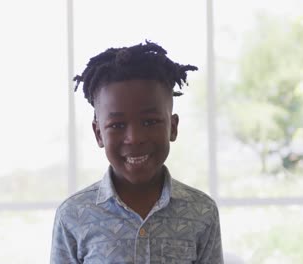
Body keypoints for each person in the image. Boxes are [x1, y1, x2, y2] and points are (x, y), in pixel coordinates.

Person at [50, 40, 223, 263]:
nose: (135, 138)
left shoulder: (202, 212)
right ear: (99, 134)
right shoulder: (72, 215)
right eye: (117, 125)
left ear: (173, 127)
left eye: (150, 122)